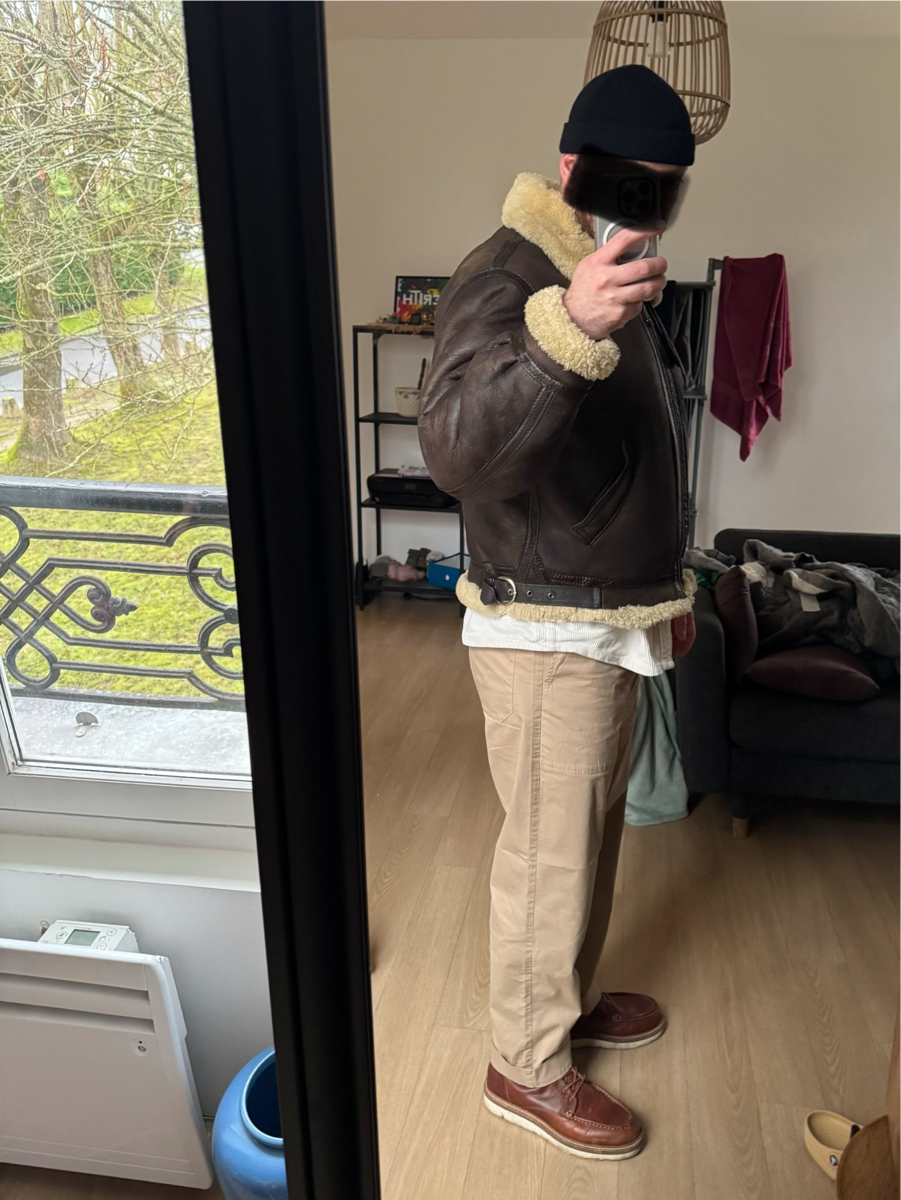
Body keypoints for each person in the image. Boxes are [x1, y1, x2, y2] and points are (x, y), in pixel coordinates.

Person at [418, 64, 697, 1161]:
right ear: (574, 168)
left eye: (666, 187)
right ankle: (524, 1066)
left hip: (601, 609)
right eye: (631, 182)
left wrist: (663, 596)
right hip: (543, 626)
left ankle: (562, 1001)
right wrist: (562, 330)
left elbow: (630, 454)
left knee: (586, 839)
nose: (648, 204)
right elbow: (455, 452)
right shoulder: (508, 275)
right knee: (548, 853)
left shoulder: (601, 264)